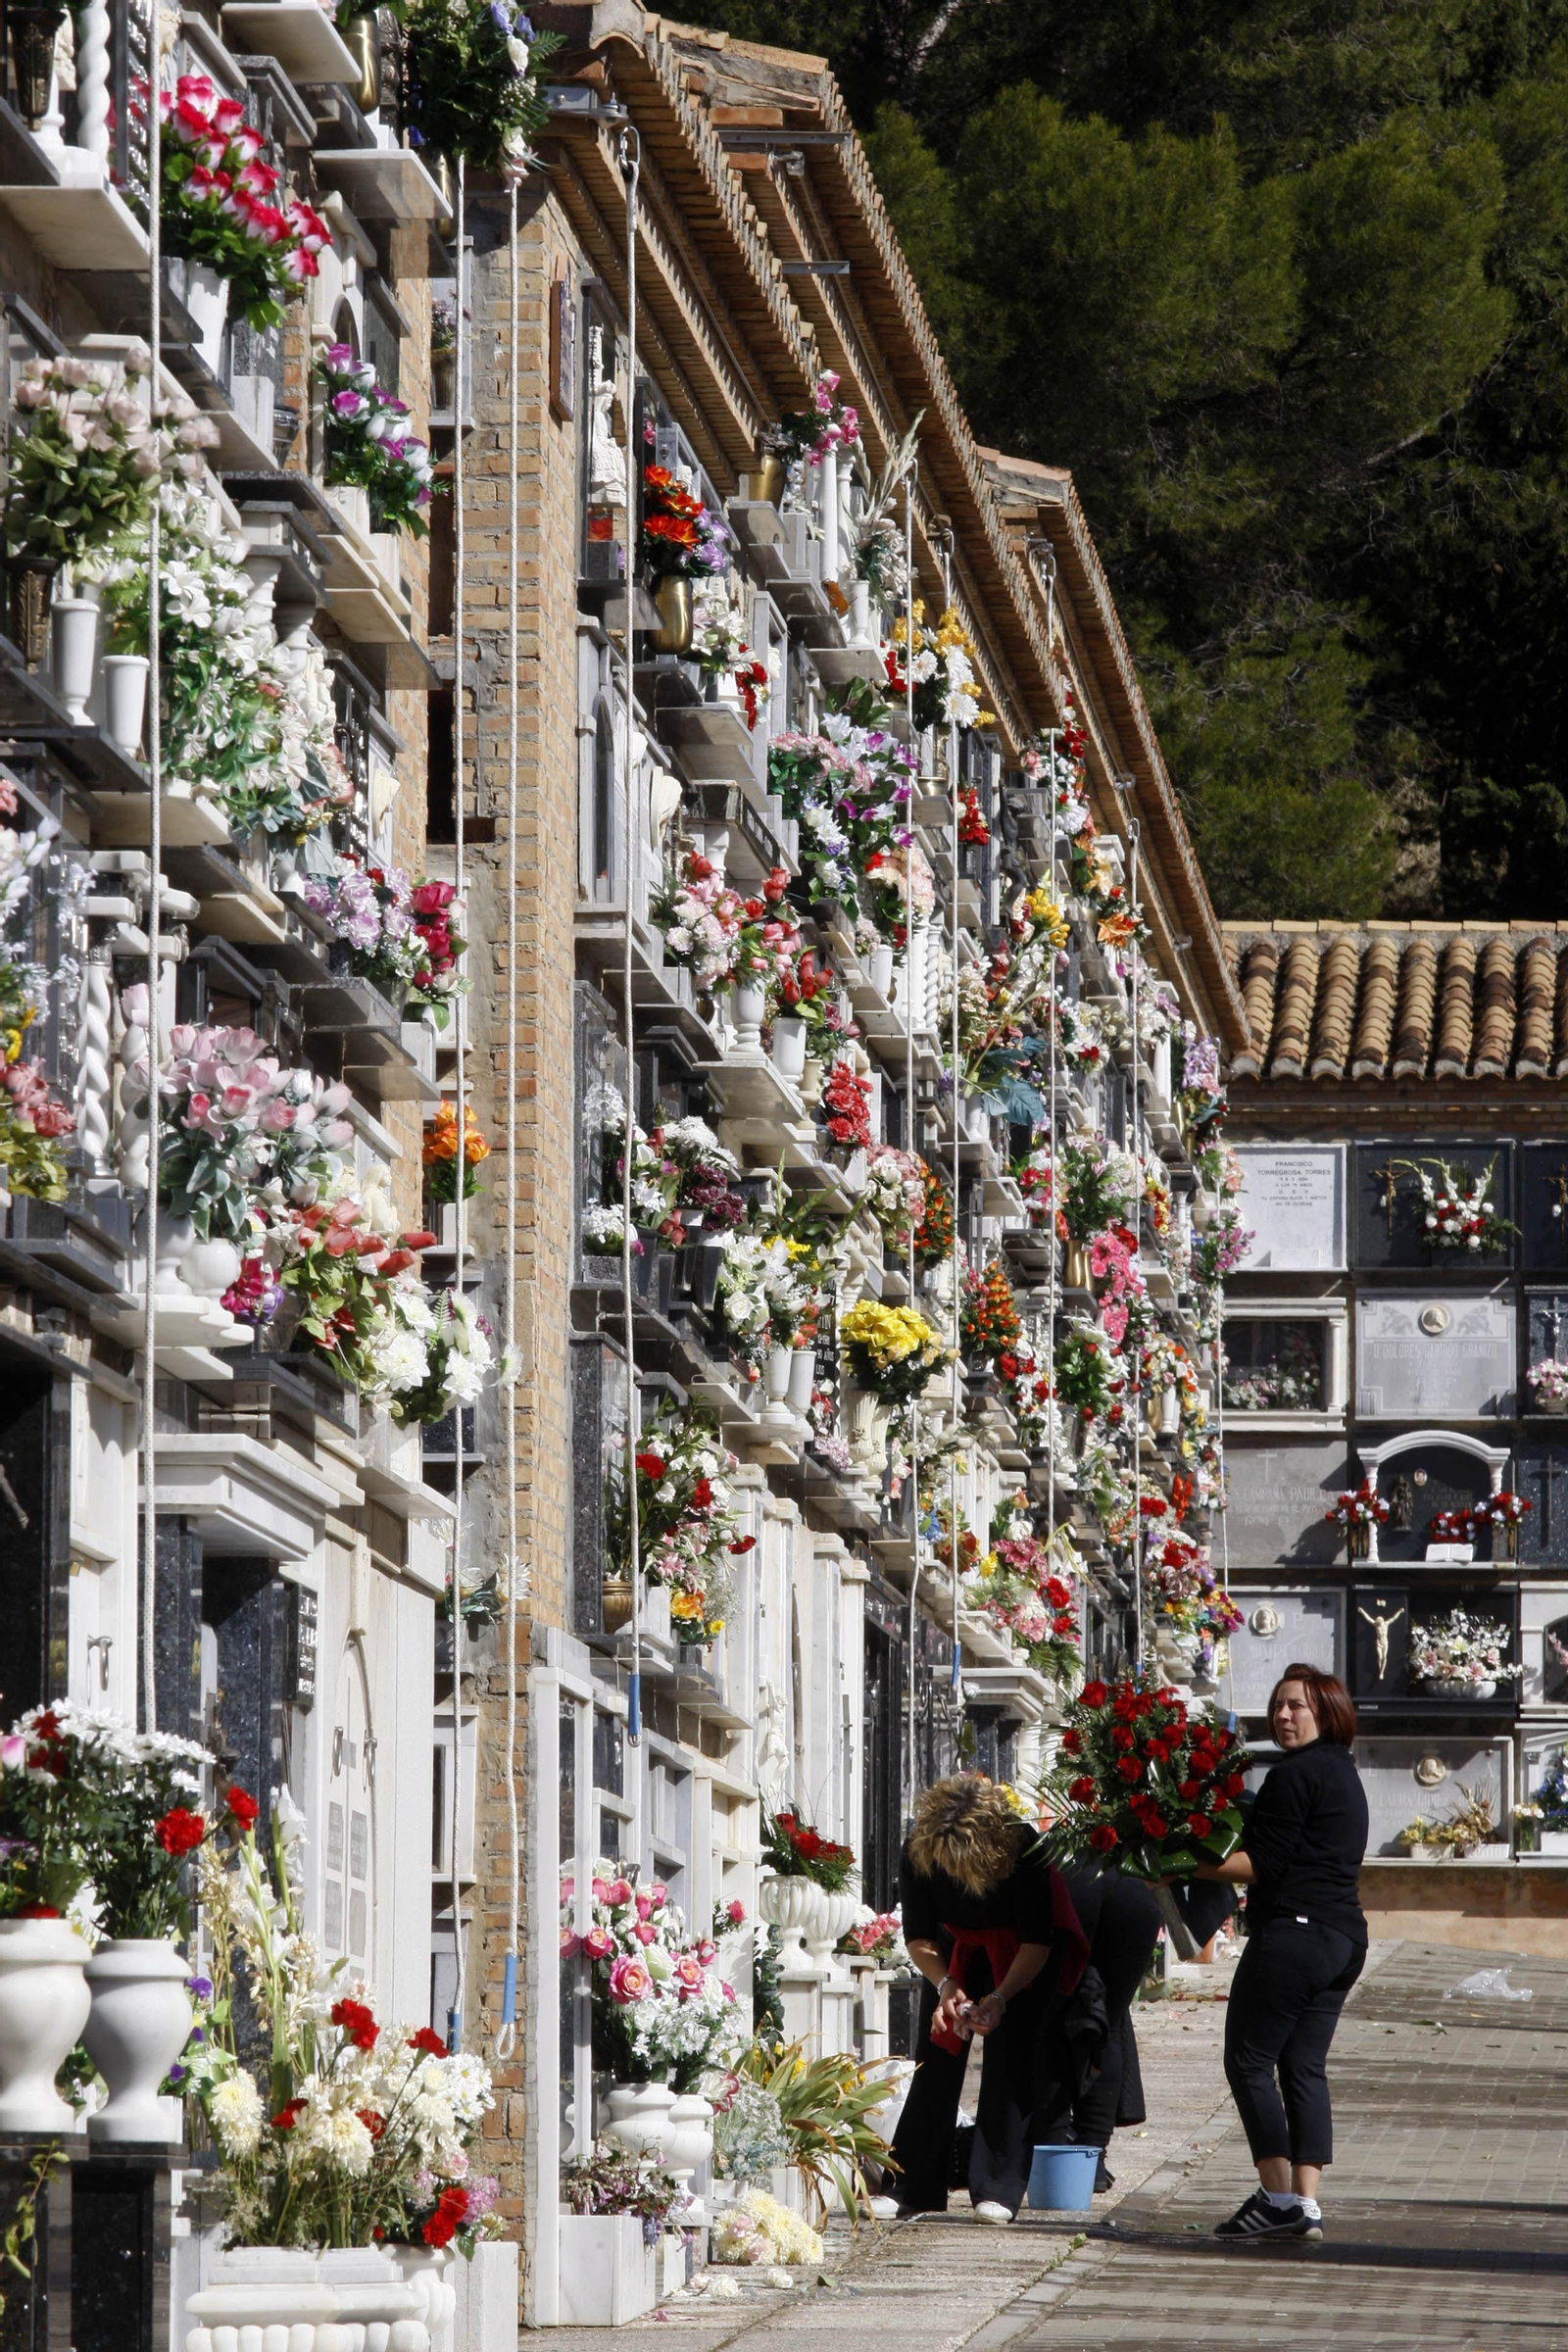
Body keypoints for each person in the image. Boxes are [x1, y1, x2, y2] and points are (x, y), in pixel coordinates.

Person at [1195, 1662, 1368, 2244]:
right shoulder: (1344, 1773)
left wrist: (1174, 1863)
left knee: (1247, 2061)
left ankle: (1276, 2198)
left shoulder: (1295, 1776)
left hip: (1296, 1935)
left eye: (1297, 1705)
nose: (1284, 1715)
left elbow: (1258, 1864)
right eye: (1278, 1706)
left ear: (1327, 1711)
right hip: (1343, 1939)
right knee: (1302, 2065)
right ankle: (1307, 2205)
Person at [892, 1774, 1088, 2224]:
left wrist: (999, 1998)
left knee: (1012, 2055)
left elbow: (1038, 1941)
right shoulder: (918, 1849)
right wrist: (946, 1987)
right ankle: (914, 2183)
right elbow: (919, 1936)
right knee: (935, 2056)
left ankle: (998, 2185)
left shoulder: (1023, 1847)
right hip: (951, 1948)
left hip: (1020, 1949)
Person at [1035, 1862, 1163, 2190]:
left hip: (1074, 1882)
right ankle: (1091, 2159)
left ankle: (1057, 2153)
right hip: (1135, 1893)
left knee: (1053, 2025)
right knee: (1110, 2024)